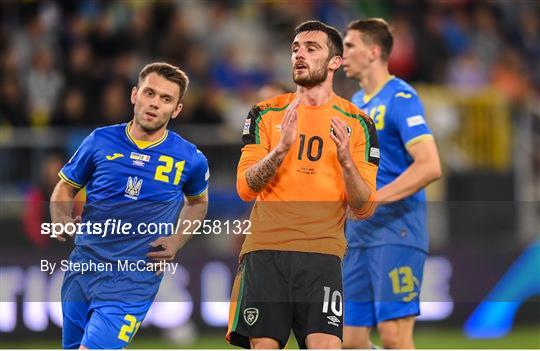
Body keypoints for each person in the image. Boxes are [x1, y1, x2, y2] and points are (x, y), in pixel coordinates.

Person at [226, 20, 379, 349]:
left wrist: (346, 162)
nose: (299, 55)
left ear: (335, 61)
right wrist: (280, 149)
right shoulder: (265, 113)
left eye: (311, 49)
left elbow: (364, 207)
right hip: (266, 252)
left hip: (322, 255)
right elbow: (245, 187)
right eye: (296, 48)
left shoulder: (359, 124)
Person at [50, 62, 209, 349]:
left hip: (134, 278)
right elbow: (65, 187)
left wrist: (177, 239)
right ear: (135, 95)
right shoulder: (99, 140)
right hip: (82, 268)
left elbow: (198, 203)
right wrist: (60, 216)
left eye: (166, 99)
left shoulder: (190, 158)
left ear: (177, 110)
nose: (154, 104)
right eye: (150, 93)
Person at [341, 19, 442, 349]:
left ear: (373, 52)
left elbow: (429, 165)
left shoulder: (400, 97)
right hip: (358, 236)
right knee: (351, 340)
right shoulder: (354, 104)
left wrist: (374, 199)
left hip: (396, 230)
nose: (342, 54)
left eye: (350, 45)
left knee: (393, 336)